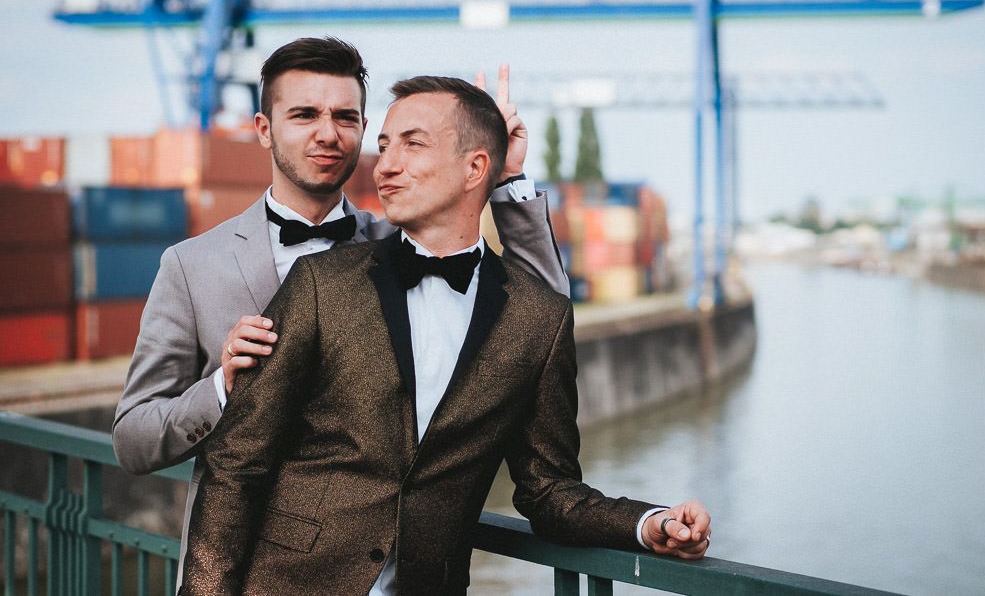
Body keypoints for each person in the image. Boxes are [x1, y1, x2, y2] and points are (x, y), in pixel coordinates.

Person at [179, 76, 711, 595]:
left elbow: (550, 491)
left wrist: (650, 523)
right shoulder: (321, 283)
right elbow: (236, 462)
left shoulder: (537, 319)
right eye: (383, 145)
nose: (385, 165)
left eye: (413, 144)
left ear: (476, 167)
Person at [112, 37, 568, 574]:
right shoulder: (192, 266)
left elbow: (534, 319)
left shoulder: (399, 245)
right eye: (305, 115)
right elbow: (133, 439)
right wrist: (222, 389)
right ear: (264, 129)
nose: (328, 134)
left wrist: (505, 178)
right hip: (231, 569)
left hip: (384, 570)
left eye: (346, 117)